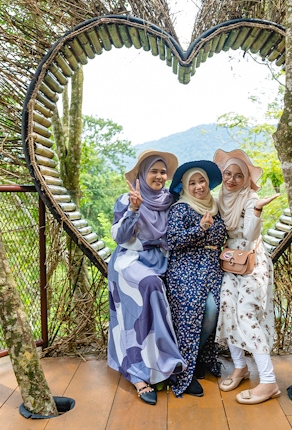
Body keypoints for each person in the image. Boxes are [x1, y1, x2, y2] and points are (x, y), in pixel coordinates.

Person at [106, 150, 186, 406]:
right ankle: (140, 373)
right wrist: (133, 209)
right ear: (142, 173)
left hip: (161, 260)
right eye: (154, 171)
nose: (159, 176)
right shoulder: (127, 199)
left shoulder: (171, 200)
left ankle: (166, 364)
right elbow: (119, 237)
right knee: (149, 286)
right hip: (130, 260)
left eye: (163, 172)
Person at [213, 149, 281, 405]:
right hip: (231, 260)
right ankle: (240, 367)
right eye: (227, 174)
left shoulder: (250, 197)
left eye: (238, 175)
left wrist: (258, 211)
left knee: (246, 313)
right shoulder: (221, 197)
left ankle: (268, 380)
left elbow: (252, 235)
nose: (231, 180)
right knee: (227, 309)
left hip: (252, 261)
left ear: (246, 179)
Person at [165, 161, 226, 398]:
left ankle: (195, 357)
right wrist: (199, 229)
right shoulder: (180, 209)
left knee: (218, 308)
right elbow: (172, 241)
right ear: (184, 186)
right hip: (185, 268)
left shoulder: (216, 206)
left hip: (212, 267)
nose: (198, 186)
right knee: (198, 311)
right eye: (192, 182)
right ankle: (182, 369)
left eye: (201, 181)